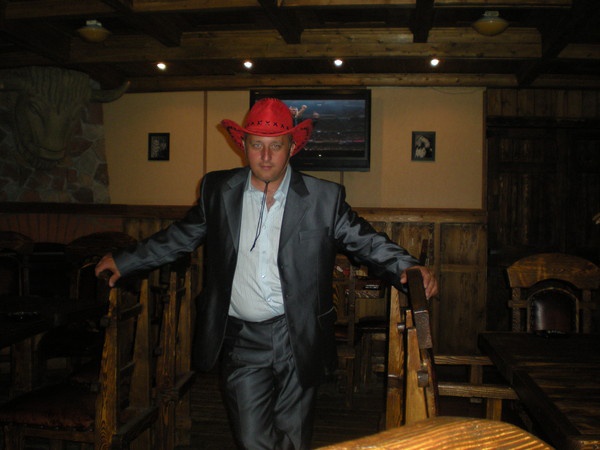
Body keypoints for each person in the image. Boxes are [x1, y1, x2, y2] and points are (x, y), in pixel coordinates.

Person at [95, 98, 438, 450]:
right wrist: (126, 261)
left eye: (276, 146)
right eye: (257, 145)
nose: (266, 156)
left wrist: (405, 265)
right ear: (243, 146)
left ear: (292, 147)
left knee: (293, 438)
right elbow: (180, 236)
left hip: (297, 334)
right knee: (251, 438)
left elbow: (364, 240)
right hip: (241, 337)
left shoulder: (324, 198)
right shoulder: (218, 190)